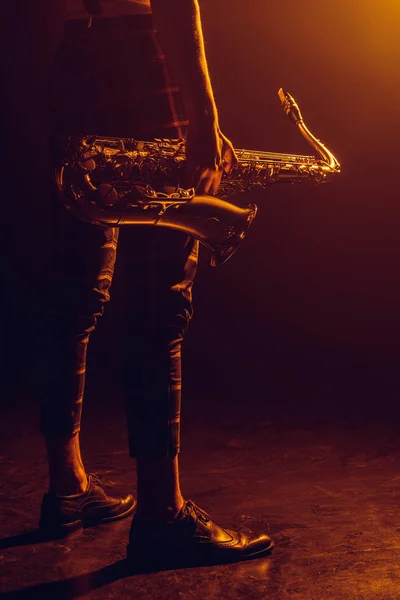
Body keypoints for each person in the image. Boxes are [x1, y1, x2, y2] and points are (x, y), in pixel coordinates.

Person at [39, 0, 274, 567]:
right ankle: (161, 517)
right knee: (162, 290)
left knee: (76, 287)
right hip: (139, 46)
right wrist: (204, 112)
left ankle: (67, 486)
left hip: (71, 53)